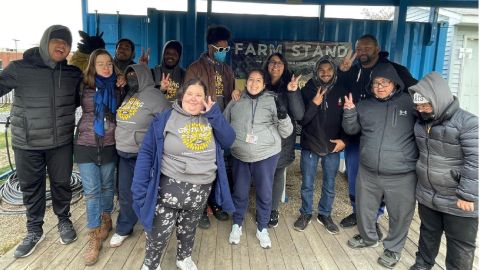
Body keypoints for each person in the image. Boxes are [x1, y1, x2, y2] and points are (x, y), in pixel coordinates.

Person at [131, 78, 235, 270]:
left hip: (201, 190)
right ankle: (151, 265)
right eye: (189, 94)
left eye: (199, 95)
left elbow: (229, 140)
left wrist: (214, 114)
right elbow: (147, 153)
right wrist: (138, 187)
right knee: (158, 231)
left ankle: (183, 258)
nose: (194, 99)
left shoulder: (212, 117)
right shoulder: (165, 118)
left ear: (206, 99)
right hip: (169, 188)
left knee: (189, 228)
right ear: (181, 96)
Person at [0, 25, 81, 258]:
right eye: (56, 41)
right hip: (27, 142)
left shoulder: (72, 74)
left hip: (61, 143)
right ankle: (34, 230)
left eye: (66, 43)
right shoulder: (19, 68)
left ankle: (64, 220)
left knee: (61, 183)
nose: (61, 46)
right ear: (45, 42)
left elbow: (79, 98)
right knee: (31, 188)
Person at [339, 34, 417, 235]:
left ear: (377, 48)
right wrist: (342, 71)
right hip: (356, 134)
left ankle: (374, 218)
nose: (362, 52)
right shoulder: (353, 70)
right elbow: (338, 90)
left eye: (366, 48)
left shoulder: (394, 70)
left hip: (382, 137)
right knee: (356, 178)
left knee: (378, 182)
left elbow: (418, 92)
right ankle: (358, 213)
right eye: (359, 48)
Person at [408, 72, 478, 270]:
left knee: (460, 247)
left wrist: (467, 195)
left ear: (438, 99)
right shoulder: (422, 121)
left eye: (425, 105)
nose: (421, 109)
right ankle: (422, 265)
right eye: (418, 106)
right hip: (428, 194)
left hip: (457, 199)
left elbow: (476, 161)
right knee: (427, 234)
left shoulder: (469, 123)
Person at [224, 69, 293, 249]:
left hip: (265, 155)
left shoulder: (272, 101)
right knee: (239, 192)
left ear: (264, 84)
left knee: (264, 192)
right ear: (246, 82)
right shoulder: (237, 100)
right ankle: (237, 224)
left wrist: (283, 115)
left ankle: (262, 227)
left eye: (258, 80)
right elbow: (224, 122)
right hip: (240, 154)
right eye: (251, 80)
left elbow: (287, 132)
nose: (254, 84)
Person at [110, 64, 170, 248]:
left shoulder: (156, 97)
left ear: (143, 75)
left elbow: (167, 123)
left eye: (134, 74)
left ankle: (150, 226)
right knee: (126, 193)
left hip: (143, 155)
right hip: (124, 153)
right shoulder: (129, 94)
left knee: (147, 193)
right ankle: (124, 228)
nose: (130, 77)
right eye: (128, 74)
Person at [74, 49, 122, 265]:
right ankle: (93, 238)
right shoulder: (83, 85)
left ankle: (106, 219)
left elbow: (140, 90)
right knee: (92, 192)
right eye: (100, 63)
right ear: (92, 66)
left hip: (110, 143)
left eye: (109, 64)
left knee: (107, 187)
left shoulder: (120, 86)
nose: (105, 67)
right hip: (85, 143)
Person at [185, 25, 235, 228]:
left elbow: (231, 96)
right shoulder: (195, 68)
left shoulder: (227, 70)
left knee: (219, 166)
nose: (224, 52)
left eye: (226, 49)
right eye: (221, 49)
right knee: (202, 167)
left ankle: (215, 203)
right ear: (211, 47)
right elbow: (189, 98)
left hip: (221, 124)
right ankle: (200, 208)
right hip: (202, 124)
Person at [293, 56, 347, 233]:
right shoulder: (308, 89)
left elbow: (348, 118)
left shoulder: (341, 90)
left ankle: (324, 214)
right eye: (321, 70)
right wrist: (314, 104)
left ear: (334, 71)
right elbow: (302, 120)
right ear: (316, 71)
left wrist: (344, 140)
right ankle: (306, 213)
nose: (325, 73)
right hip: (310, 144)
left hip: (333, 145)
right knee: (307, 183)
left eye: (329, 70)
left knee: (329, 183)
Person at [262, 53, 304, 228]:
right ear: (267, 65)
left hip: (282, 141)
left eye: (279, 63)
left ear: (284, 66)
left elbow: (300, 114)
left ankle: (273, 210)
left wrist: (292, 92)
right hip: (262, 139)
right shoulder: (260, 82)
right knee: (263, 176)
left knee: (278, 174)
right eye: (272, 62)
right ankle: (262, 207)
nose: (275, 66)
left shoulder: (290, 85)